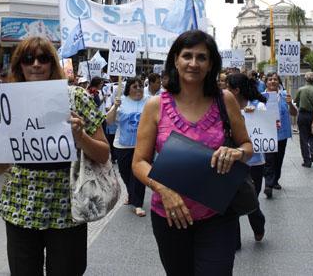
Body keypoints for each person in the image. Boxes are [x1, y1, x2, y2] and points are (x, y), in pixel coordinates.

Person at [0, 37, 109, 275]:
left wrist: (81, 138)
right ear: (19, 65)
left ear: (52, 63)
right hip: (20, 207)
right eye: (28, 58)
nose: (36, 64)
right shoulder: (8, 103)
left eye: (43, 58)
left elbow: (104, 154)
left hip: (68, 209)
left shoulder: (76, 97)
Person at [132, 30, 253, 275]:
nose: (193, 63)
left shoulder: (225, 100)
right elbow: (139, 162)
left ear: (211, 65)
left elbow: (247, 146)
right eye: (187, 55)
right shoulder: (156, 106)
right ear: (176, 60)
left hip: (218, 214)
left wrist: (237, 154)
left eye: (202, 57)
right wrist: (163, 190)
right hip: (170, 216)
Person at [226, 72, 267, 242]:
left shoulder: (259, 107)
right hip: (233, 161)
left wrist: (254, 115)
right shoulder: (225, 108)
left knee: (251, 199)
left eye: (227, 87)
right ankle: (234, 241)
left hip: (255, 163)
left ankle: (258, 223)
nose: (224, 90)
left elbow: (268, 131)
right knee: (231, 201)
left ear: (235, 90)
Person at [106, 76, 149, 217]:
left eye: (141, 86)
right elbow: (109, 121)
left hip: (141, 145)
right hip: (122, 145)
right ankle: (131, 194)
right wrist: (115, 107)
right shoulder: (121, 101)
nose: (138, 89)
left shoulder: (148, 101)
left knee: (138, 175)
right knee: (125, 173)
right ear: (128, 88)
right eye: (135, 86)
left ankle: (137, 204)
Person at [262, 73, 297, 198]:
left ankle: (275, 179)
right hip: (267, 133)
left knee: (278, 158)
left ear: (278, 82)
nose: (272, 81)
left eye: (275, 79)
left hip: (282, 133)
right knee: (269, 159)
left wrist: (290, 104)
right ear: (266, 82)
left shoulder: (284, 95)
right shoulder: (261, 97)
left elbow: (294, 113)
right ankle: (268, 185)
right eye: (270, 79)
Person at [294, 71, 313, 168]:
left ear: (305, 79)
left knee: (303, 138)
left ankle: (307, 160)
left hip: (303, 115)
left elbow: (296, 101)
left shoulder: (301, 89)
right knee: (312, 135)